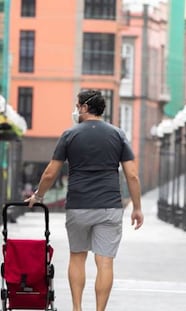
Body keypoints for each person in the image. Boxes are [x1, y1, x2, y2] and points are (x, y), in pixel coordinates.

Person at [26, 90, 144, 311]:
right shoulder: (118, 135)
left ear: (85, 107)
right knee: (105, 261)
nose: (75, 109)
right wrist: (137, 208)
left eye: (77, 105)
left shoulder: (70, 135)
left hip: (79, 206)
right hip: (109, 206)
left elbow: (50, 173)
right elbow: (132, 175)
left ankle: (77, 308)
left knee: (77, 257)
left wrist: (38, 196)